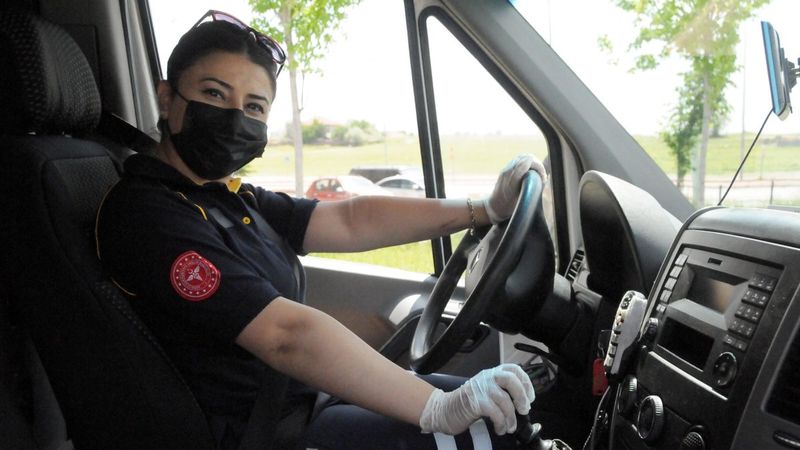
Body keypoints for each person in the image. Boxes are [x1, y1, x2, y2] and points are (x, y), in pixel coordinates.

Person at [95, 10, 548, 450]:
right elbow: (284, 334)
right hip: (261, 431)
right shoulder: (147, 214)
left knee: (508, 418)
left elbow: (350, 221)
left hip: (304, 401)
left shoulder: (227, 198)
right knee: (494, 433)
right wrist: (437, 407)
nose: (236, 117)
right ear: (167, 98)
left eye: (254, 106)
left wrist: (483, 208)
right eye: (214, 94)